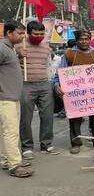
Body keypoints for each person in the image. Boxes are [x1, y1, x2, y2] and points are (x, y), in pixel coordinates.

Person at [54, 30, 94, 154]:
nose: (84, 41)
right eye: (81, 39)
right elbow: (61, 72)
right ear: (77, 40)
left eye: (86, 39)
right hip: (75, 93)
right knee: (75, 117)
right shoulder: (69, 54)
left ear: (90, 40)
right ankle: (76, 143)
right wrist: (56, 84)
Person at [15, 21, 60, 160]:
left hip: (44, 84)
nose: (39, 36)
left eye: (42, 34)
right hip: (25, 84)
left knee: (47, 116)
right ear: (28, 33)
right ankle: (27, 147)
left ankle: (46, 144)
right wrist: (18, 55)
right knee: (25, 118)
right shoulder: (19, 46)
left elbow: (49, 66)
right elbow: (9, 65)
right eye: (36, 34)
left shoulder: (47, 48)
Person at [0, 20, 34, 177]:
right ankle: (15, 165)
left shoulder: (10, 49)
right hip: (5, 98)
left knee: (7, 132)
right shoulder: (1, 48)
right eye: (20, 33)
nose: (23, 36)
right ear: (8, 33)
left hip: (12, 96)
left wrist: (19, 56)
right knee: (11, 132)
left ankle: (6, 160)